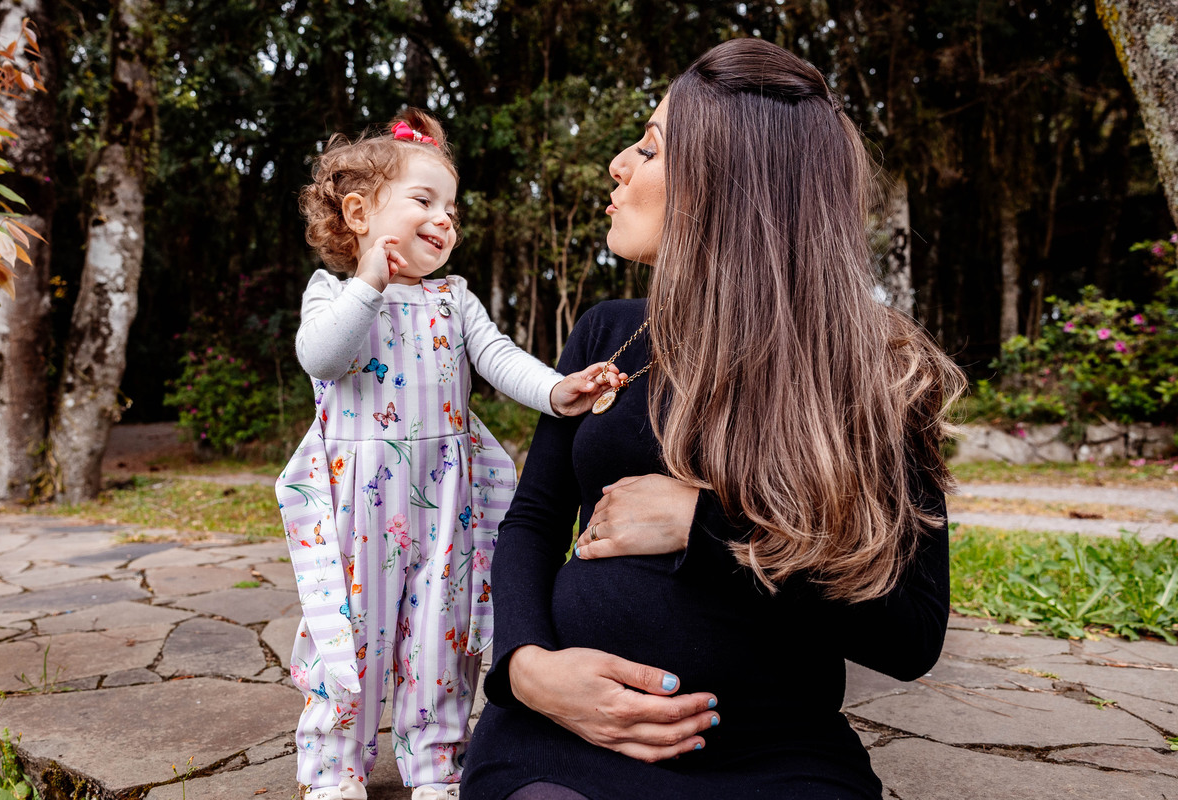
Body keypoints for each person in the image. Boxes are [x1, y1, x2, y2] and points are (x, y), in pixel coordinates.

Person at [460, 38, 967, 800]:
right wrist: (527, 668)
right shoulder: (608, 334)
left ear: (725, 184)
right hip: (562, 740)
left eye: (649, 148)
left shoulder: (876, 369)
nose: (617, 165)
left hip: (772, 751)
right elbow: (532, 521)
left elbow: (910, 634)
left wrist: (705, 528)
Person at [275, 110, 622, 800]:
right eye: (424, 200)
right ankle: (334, 768)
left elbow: (499, 359)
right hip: (356, 506)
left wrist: (558, 391)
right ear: (359, 213)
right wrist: (369, 282)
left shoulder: (453, 300)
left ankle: (435, 763)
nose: (444, 220)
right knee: (350, 631)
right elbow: (322, 356)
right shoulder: (332, 293)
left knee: (442, 632)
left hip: (445, 504)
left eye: (451, 209)